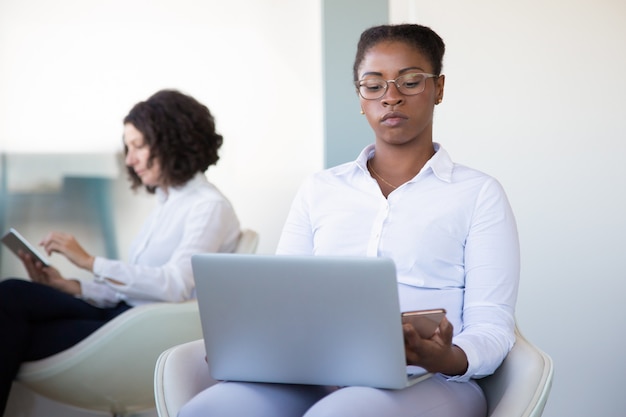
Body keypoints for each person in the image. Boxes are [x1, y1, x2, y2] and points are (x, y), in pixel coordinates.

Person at [178, 23, 519, 417]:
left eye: (410, 82)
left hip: (432, 380)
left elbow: (493, 328)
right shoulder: (320, 189)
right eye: (373, 85)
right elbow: (281, 298)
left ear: (438, 89)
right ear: (360, 97)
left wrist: (445, 356)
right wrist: (249, 342)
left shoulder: (478, 194)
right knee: (210, 410)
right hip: (315, 374)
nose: (391, 98)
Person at [0, 89, 241, 415]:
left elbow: (174, 284)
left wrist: (89, 261)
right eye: (128, 148)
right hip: (123, 315)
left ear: (172, 140)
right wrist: (72, 285)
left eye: (139, 146)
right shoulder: (167, 202)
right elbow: (138, 284)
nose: (129, 159)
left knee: (14, 326)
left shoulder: (208, 207)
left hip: (140, 329)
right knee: (13, 294)